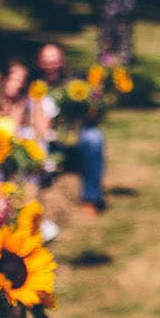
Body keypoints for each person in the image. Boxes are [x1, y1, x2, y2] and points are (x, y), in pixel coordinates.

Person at [36, 44, 108, 212]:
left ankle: (91, 199)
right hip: (47, 137)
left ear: (62, 61)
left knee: (94, 138)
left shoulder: (75, 82)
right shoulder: (35, 86)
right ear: (40, 63)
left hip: (74, 134)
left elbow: (91, 116)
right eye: (47, 61)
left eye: (55, 60)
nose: (51, 65)